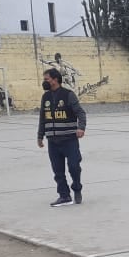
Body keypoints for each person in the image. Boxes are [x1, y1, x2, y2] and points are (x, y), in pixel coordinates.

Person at [38, 68, 87, 207]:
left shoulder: (68, 95)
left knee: (74, 167)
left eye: (47, 79)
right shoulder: (45, 97)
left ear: (55, 79)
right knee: (58, 171)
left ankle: (77, 188)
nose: (44, 82)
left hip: (69, 140)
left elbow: (81, 113)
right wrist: (40, 136)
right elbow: (42, 117)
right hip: (52, 141)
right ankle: (64, 196)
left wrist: (81, 128)